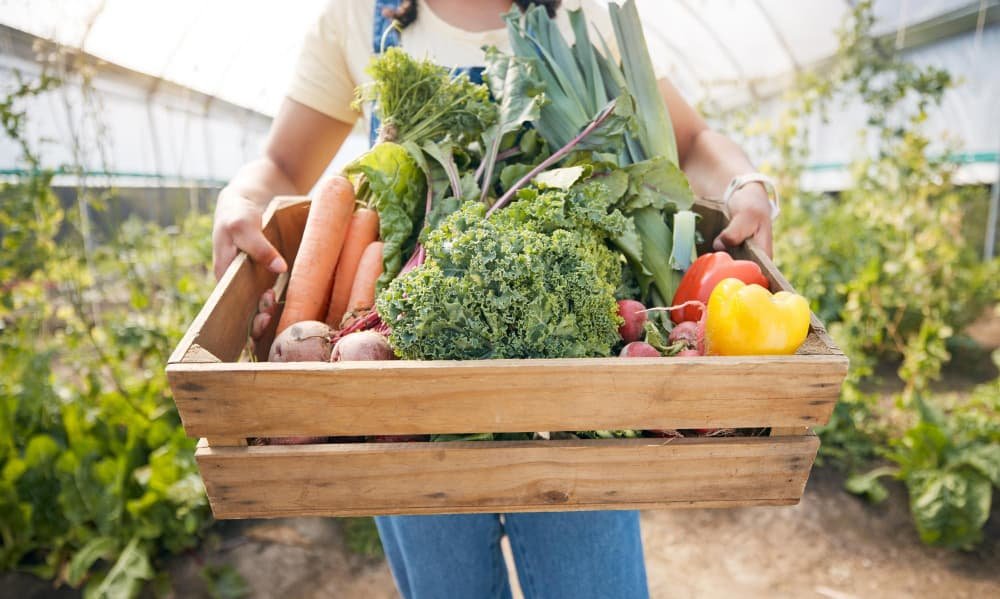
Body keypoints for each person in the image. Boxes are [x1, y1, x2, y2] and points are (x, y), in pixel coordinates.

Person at [212, 1, 779, 597]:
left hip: (574, 397)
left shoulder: (586, 14)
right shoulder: (359, 17)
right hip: (406, 395)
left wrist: (745, 183)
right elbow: (280, 163)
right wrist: (240, 197)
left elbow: (689, 140)